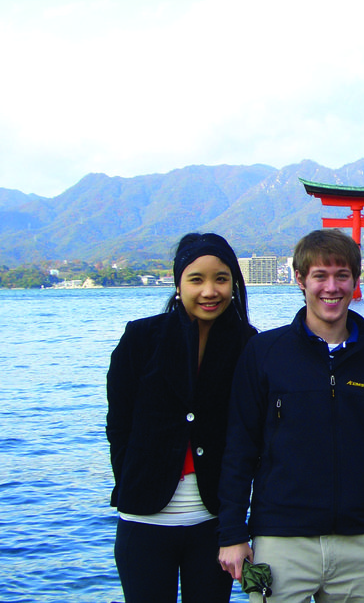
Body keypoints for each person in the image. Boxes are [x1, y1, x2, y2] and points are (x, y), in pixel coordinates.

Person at [217, 229, 364, 603]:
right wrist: (232, 533)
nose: (331, 287)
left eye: (341, 275)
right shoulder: (264, 353)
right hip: (280, 541)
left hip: (361, 543)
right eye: (320, 275)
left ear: (355, 280)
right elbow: (240, 447)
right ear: (300, 280)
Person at [106, 232, 256, 603]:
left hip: (212, 524)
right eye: (196, 279)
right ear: (178, 284)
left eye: (221, 279)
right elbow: (118, 422)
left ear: (234, 285)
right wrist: (130, 478)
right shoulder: (141, 337)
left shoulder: (246, 343)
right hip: (144, 520)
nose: (210, 291)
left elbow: (249, 433)